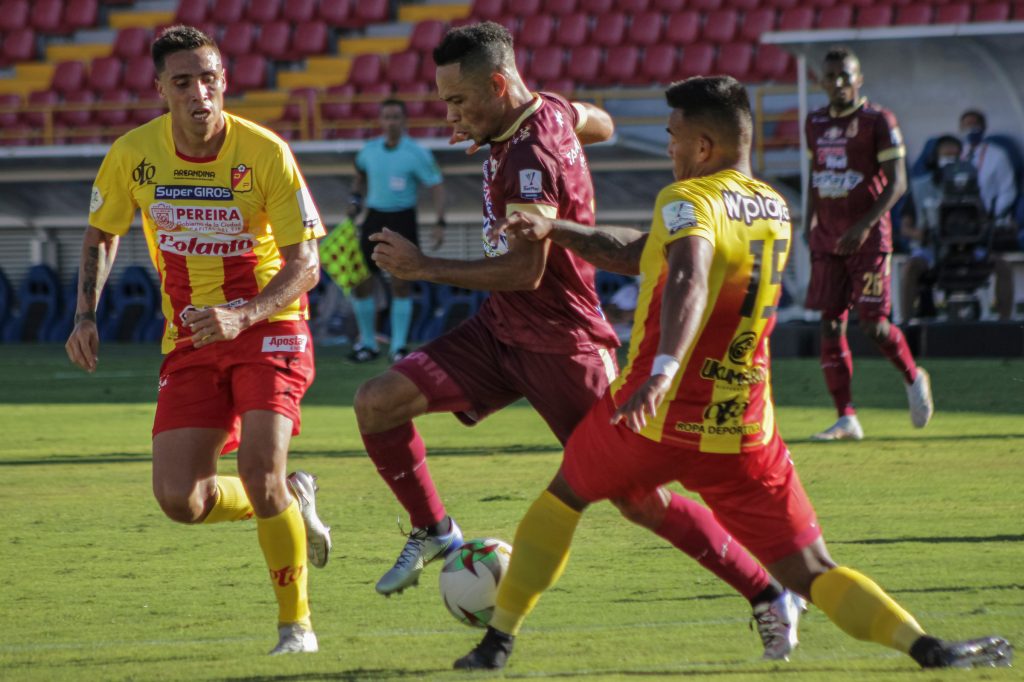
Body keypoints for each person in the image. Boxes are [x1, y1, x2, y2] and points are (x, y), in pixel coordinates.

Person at [453, 75, 1013, 672]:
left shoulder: (687, 201)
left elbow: (690, 274)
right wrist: (556, 229)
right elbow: (637, 252)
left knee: (564, 497)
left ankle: (498, 641)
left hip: (652, 419)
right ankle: (926, 647)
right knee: (814, 570)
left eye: (672, 138)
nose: (668, 149)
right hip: (743, 431)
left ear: (702, 146)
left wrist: (665, 368)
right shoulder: (774, 207)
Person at [355, 21, 805, 659]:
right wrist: (502, 126)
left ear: (500, 84)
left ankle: (766, 592)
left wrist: (423, 265)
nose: (450, 116)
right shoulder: (550, 113)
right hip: (501, 328)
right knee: (377, 401)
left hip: (562, 342)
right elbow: (600, 122)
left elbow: (524, 270)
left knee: (634, 496)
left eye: (459, 102)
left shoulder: (527, 161)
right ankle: (434, 531)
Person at [64, 26, 332, 655]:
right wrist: (84, 316)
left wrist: (245, 314)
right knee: (180, 500)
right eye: (183, 81)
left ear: (223, 82)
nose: (199, 92)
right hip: (188, 336)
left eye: (209, 78)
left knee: (258, 468)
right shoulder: (132, 154)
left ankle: (297, 627)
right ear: (160, 88)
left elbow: (308, 264)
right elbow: (102, 235)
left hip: (271, 326)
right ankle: (290, 498)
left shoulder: (265, 151)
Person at [804, 47, 933, 441]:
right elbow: (816, 173)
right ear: (822, 81)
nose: (838, 82)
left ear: (859, 78)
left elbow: (898, 183)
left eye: (846, 75)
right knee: (829, 324)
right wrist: (810, 223)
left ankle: (914, 377)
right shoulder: (815, 122)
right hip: (828, 237)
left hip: (868, 238)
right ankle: (846, 417)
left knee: (874, 325)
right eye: (831, 76)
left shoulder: (878, 120)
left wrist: (862, 226)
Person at [347, 98, 447, 363]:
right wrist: (355, 199)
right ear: (380, 121)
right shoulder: (369, 150)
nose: (391, 122)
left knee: (401, 283)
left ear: (404, 121)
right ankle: (367, 343)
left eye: (395, 117)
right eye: (387, 117)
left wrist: (439, 222)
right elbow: (360, 175)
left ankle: (399, 347)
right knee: (360, 282)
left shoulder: (417, 153)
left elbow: (436, 184)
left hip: (402, 220)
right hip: (373, 218)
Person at [958, 109, 1018, 320]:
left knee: (999, 264)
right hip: (958, 224)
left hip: (988, 222)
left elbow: (1008, 191)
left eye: (975, 124)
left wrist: (990, 215)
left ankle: (1003, 319)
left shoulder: (997, 155)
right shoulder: (956, 154)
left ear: (983, 128)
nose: (971, 129)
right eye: (967, 125)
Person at [898, 134, 963, 322]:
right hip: (930, 249)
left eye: (955, 155)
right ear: (934, 157)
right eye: (946, 155)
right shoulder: (919, 187)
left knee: (1001, 265)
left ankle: (1005, 324)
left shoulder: (970, 184)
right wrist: (923, 235)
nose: (950, 160)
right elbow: (905, 228)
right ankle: (906, 324)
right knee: (911, 268)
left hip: (964, 249)